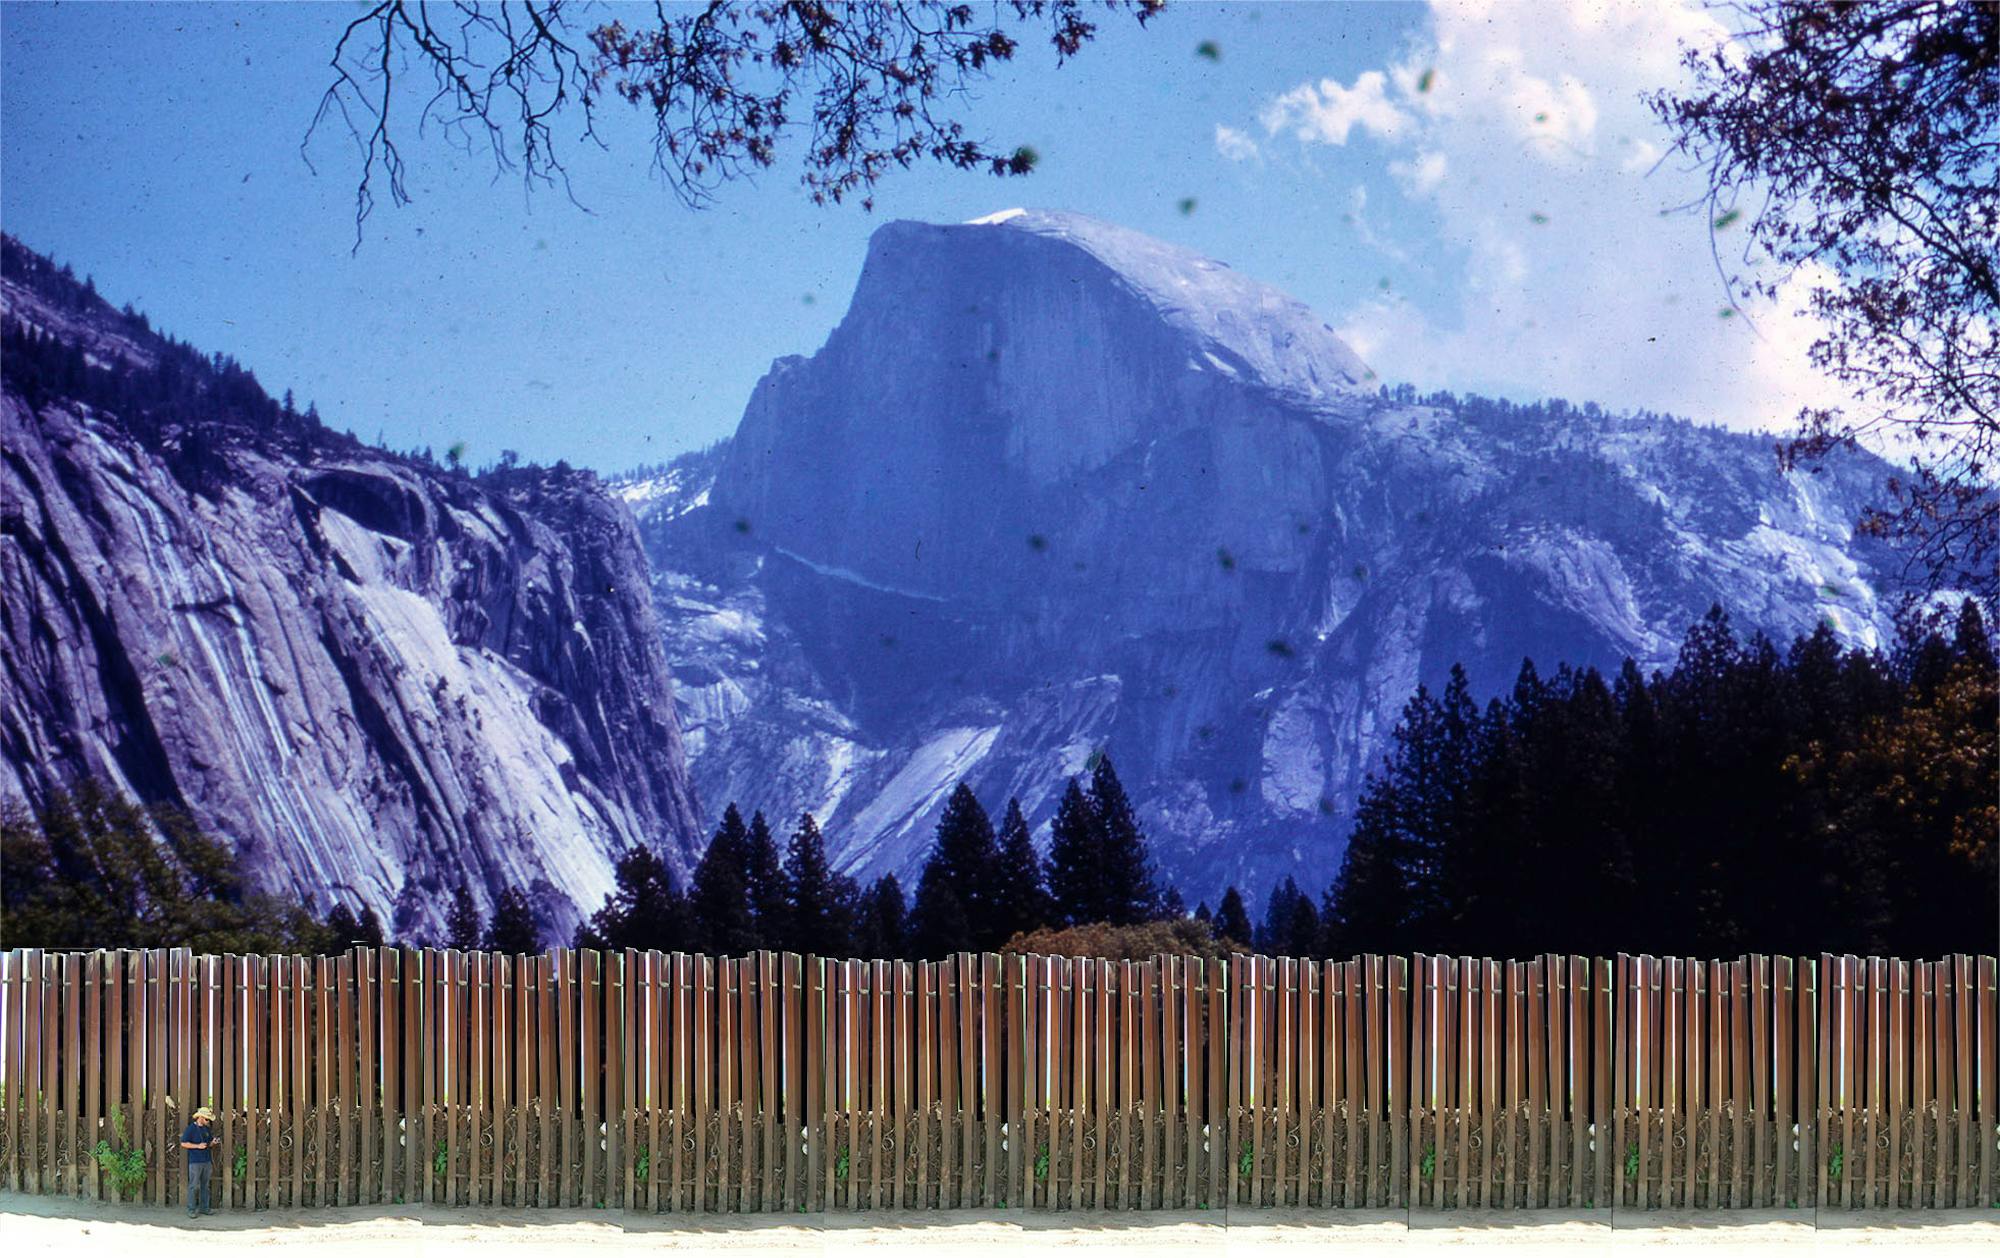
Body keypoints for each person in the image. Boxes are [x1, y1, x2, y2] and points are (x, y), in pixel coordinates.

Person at [180, 1105, 217, 1218]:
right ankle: (191, 1209)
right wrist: (197, 1146)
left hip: (206, 1161)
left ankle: (204, 1208)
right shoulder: (191, 1128)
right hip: (195, 1162)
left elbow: (208, 1144)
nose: (207, 1121)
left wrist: (213, 1143)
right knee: (193, 1186)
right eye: (206, 1119)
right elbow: (183, 1143)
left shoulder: (206, 1129)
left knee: (205, 1186)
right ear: (200, 1117)